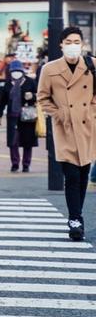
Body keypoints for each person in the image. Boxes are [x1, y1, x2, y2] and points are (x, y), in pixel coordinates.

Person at [37, 26, 96, 241]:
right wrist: (59, 113)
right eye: (68, 42)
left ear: (82, 44)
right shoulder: (50, 69)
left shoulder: (92, 65)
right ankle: (75, 219)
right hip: (65, 129)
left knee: (83, 176)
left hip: (88, 127)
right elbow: (43, 98)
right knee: (71, 176)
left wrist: (91, 112)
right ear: (61, 44)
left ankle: (76, 216)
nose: (73, 46)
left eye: (76, 41)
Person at [0, 60, 38, 173]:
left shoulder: (30, 82)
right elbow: (3, 100)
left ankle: (26, 164)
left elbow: (40, 94)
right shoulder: (8, 83)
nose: (16, 73)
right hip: (12, 116)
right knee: (13, 142)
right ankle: (15, 164)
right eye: (13, 71)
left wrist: (33, 96)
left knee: (27, 141)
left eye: (18, 71)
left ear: (22, 71)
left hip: (27, 116)